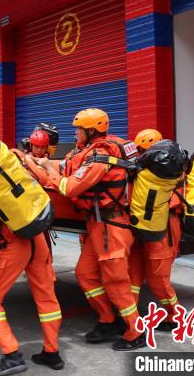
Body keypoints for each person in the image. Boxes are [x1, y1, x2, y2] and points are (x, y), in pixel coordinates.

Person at [0, 119, 64, 374]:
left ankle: (11, 355)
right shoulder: (15, 157)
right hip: (37, 235)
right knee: (46, 296)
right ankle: (52, 353)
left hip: (11, 244)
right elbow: (41, 182)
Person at [35, 108, 145, 351]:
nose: (76, 133)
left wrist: (48, 171)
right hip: (97, 226)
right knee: (85, 274)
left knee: (116, 281)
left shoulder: (100, 157)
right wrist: (41, 164)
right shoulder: (89, 152)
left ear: (92, 131)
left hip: (112, 227)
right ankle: (108, 319)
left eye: (79, 129)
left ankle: (136, 331)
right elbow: (70, 169)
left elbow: (70, 187)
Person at [127, 128, 181, 331]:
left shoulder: (170, 173)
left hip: (163, 229)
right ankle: (130, 316)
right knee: (133, 273)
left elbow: (170, 202)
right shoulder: (143, 172)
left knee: (158, 277)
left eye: (143, 151)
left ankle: (175, 316)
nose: (140, 155)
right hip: (141, 227)